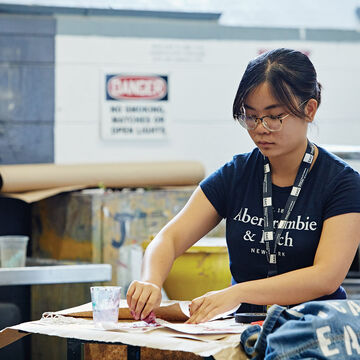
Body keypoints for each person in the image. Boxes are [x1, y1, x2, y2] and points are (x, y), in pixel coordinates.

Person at [126, 48, 360, 324]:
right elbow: (169, 238)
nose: (260, 128)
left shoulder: (342, 183)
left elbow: (325, 277)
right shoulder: (236, 175)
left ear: (309, 109)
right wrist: (151, 280)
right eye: (250, 116)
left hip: (314, 329)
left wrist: (237, 292)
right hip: (244, 327)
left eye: (274, 117)